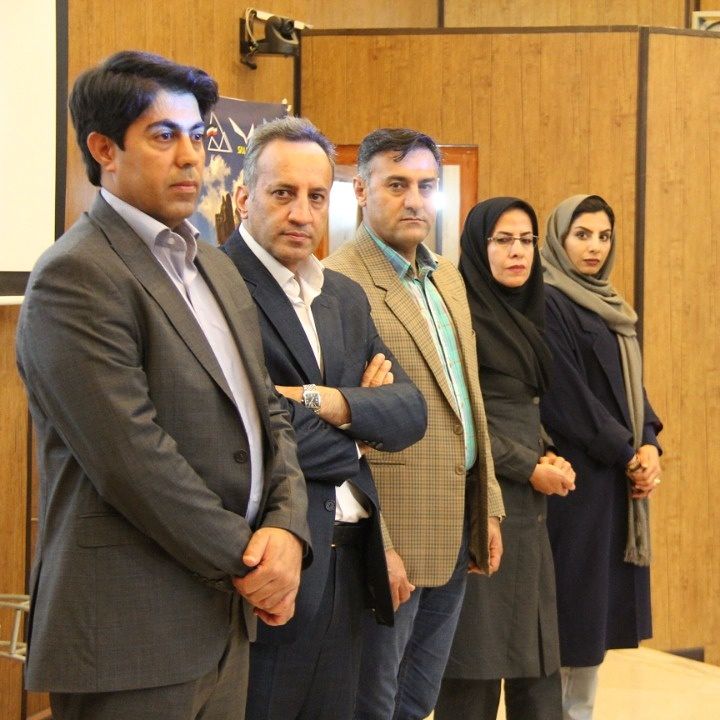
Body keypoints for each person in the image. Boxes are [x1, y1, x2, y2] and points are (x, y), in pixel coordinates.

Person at [15, 51, 311, 720]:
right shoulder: (75, 275)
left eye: (198, 137)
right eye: (163, 136)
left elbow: (267, 413)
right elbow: (133, 460)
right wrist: (252, 561)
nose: (190, 158)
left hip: (224, 621)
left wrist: (287, 529)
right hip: (131, 630)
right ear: (103, 149)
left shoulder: (215, 265)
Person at [222, 117, 427, 720]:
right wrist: (360, 431)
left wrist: (323, 401)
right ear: (244, 198)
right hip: (277, 568)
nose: (302, 213)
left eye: (316, 197)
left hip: (354, 564)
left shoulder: (342, 295)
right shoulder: (217, 286)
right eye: (282, 193)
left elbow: (408, 413)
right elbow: (248, 429)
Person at [324, 128, 505, 720]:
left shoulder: (447, 276)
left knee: (418, 700)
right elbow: (338, 434)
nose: (414, 200)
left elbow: (468, 401)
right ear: (360, 190)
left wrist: (489, 505)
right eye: (397, 185)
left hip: (453, 524)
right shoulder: (337, 284)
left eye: (426, 186)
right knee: (373, 703)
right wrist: (380, 545)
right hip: (390, 538)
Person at [436, 197, 576, 720]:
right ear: (479, 246)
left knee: (537, 671)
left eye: (526, 241)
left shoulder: (532, 310)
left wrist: (549, 454)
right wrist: (527, 466)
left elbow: (524, 407)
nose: (517, 252)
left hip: (530, 512)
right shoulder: (457, 317)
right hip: (481, 505)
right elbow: (458, 417)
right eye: (503, 240)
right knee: (472, 672)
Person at [538, 194, 663, 720]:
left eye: (603, 236)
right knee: (572, 617)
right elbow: (567, 398)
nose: (594, 247)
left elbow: (632, 390)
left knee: (592, 621)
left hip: (611, 481)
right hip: (574, 483)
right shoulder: (547, 300)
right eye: (582, 234)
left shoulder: (611, 304)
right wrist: (628, 453)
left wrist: (650, 442)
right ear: (558, 239)